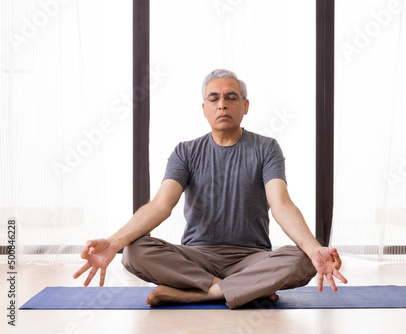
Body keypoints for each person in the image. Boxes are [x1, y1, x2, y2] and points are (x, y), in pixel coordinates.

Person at [73, 69, 347, 309]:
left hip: (251, 258)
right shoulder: (186, 152)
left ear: (245, 105)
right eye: (213, 98)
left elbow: (281, 205)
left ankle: (199, 295)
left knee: (301, 258)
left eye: (231, 97)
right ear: (203, 108)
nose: (222, 105)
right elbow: (160, 205)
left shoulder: (266, 148)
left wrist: (314, 249)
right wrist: (114, 242)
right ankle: (242, 290)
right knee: (134, 252)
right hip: (197, 258)